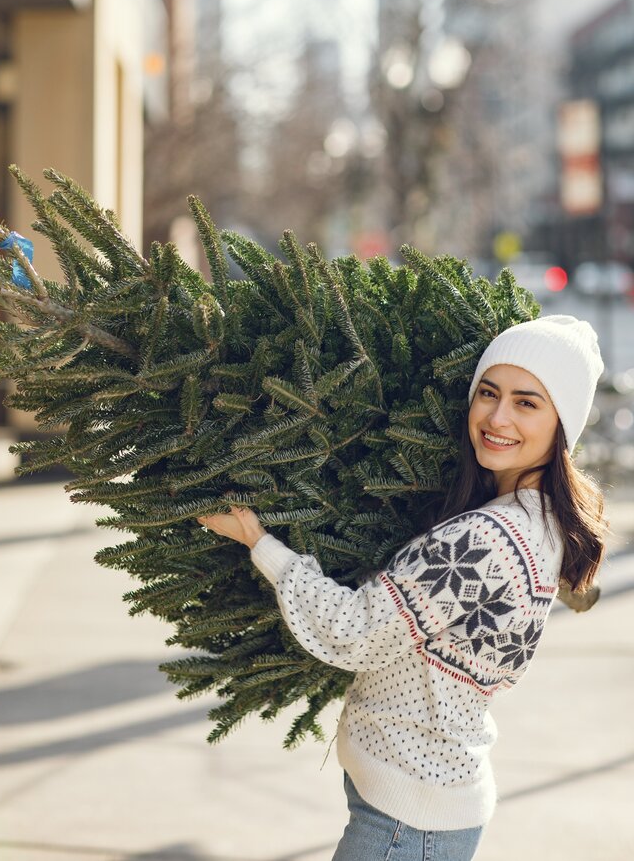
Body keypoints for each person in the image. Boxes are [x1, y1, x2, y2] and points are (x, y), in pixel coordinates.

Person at [195, 314, 608, 861]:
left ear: (563, 424)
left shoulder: (488, 536)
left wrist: (258, 539)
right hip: (425, 801)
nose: (497, 417)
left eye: (527, 403)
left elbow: (357, 631)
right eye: (488, 393)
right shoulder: (538, 519)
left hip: (410, 817)